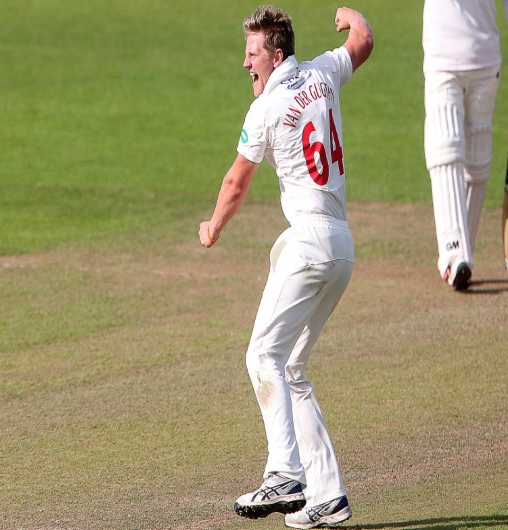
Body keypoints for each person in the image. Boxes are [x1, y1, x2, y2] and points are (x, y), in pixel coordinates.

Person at [198, 5, 373, 529]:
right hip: (341, 246)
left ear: (276, 55)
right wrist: (350, 15)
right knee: (292, 367)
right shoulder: (322, 71)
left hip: (308, 242)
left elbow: (236, 183)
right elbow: (362, 41)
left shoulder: (267, 107)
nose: (245, 62)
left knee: (261, 355)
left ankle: (285, 473)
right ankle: (328, 495)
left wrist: (213, 226)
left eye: (252, 53)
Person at [422, 0, 508, 290]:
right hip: (443, 61)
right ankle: (453, 252)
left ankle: (463, 254)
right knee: (445, 151)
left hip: (486, 63)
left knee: (477, 163)